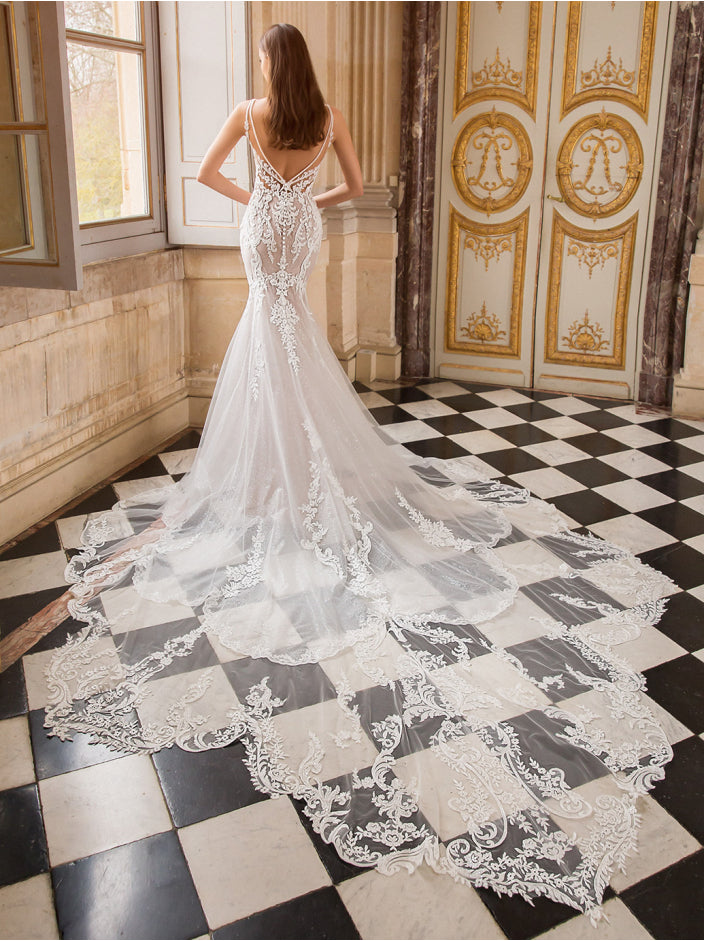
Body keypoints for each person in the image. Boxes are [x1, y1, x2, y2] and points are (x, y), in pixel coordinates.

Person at [45, 24, 672, 923]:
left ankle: (273, 477)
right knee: (297, 339)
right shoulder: (325, 113)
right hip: (301, 230)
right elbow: (353, 183)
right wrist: (305, 193)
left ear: (269, 66)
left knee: (267, 345)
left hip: (264, 227)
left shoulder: (248, 112)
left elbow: (204, 175)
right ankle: (305, 467)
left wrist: (256, 188)